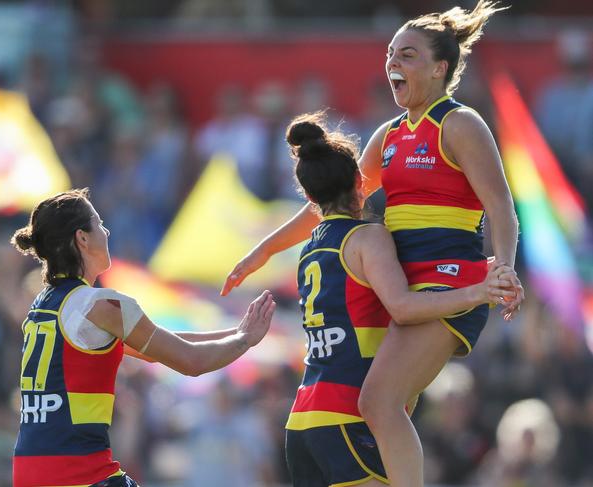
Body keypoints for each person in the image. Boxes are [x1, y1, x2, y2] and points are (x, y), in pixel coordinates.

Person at [221, 2, 522, 486]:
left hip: (449, 286)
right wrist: (263, 251)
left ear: (440, 68)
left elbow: (501, 205)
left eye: (406, 55)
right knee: (388, 407)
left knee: (377, 403)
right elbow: (331, 201)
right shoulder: (390, 134)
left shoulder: (460, 124)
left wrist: (503, 268)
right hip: (403, 290)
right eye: (389, 55)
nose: (392, 65)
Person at [280, 113, 517, 487]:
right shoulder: (369, 239)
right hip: (347, 420)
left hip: (302, 425)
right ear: (363, 182)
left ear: (310, 198)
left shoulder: (309, 250)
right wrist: (478, 291)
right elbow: (403, 307)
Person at [10, 188, 276, 487]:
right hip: (79, 473)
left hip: (29, 472)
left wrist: (237, 331)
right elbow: (191, 361)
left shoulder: (43, 305)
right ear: (82, 238)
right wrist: (245, 340)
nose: (107, 230)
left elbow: (158, 345)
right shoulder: (103, 305)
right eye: (99, 223)